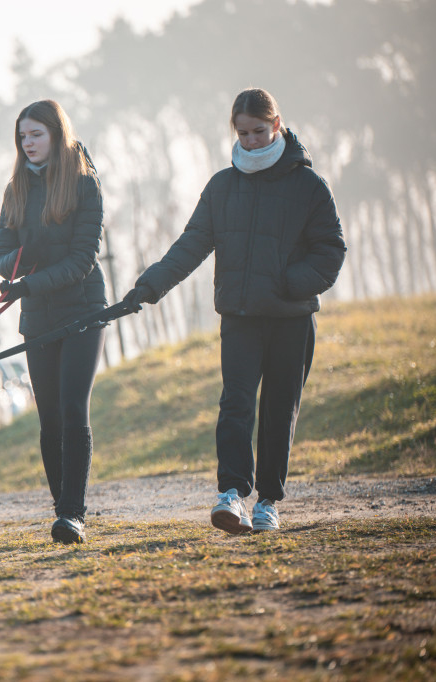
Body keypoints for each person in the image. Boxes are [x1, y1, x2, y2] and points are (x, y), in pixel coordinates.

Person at [123, 88, 346, 533]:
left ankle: (268, 503)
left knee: (280, 409)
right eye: (242, 133)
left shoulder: (310, 186)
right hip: (239, 318)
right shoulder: (222, 186)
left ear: (277, 125)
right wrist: (149, 286)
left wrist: (287, 284)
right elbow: (191, 245)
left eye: (259, 132)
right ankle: (231, 495)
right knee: (236, 404)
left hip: (291, 321)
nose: (250, 141)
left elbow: (331, 252)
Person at [0, 99, 109, 544]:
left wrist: (30, 282)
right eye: (22, 137)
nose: (28, 143)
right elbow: (2, 257)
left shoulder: (84, 186)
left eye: (36, 134)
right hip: (37, 318)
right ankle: (62, 506)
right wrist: (19, 266)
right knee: (49, 420)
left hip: (82, 311)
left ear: (57, 134)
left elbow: (83, 260)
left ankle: (71, 514)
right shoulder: (14, 190)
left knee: (72, 409)